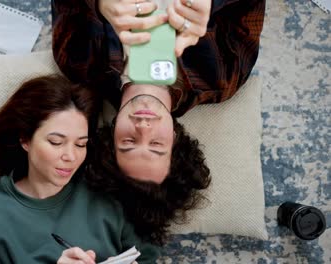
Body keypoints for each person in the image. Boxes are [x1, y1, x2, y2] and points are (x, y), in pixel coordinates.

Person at [52, 0, 265, 244]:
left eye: (128, 142)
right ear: (175, 139)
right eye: (156, 145)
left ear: (111, 137)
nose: (143, 127)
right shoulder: (222, 76)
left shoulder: (78, 60)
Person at [0, 75, 159, 264]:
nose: (71, 156)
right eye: (56, 142)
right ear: (25, 139)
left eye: (80, 144)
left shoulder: (107, 189)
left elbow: (147, 258)